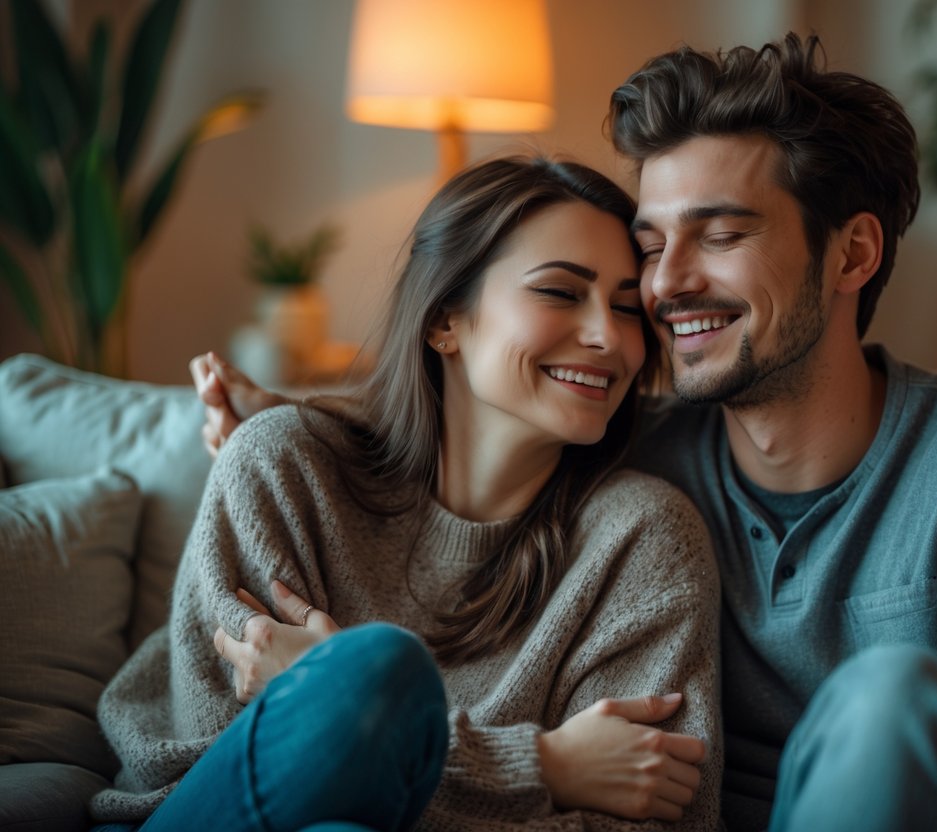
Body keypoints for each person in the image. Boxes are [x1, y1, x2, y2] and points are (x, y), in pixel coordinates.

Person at [198, 32, 937, 832]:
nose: (664, 285)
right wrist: (297, 426)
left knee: (889, 700)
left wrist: (895, 763)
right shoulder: (629, 451)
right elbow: (473, 416)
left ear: (852, 252)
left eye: (720, 235)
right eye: (651, 244)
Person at [91, 156, 723, 831]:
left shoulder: (644, 538)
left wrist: (331, 704)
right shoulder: (281, 468)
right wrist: (540, 768)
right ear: (443, 320)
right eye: (561, 292)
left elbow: (661, 816)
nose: (608, 337)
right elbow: (211, 756)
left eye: (627, 307)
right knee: (379, 671)